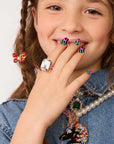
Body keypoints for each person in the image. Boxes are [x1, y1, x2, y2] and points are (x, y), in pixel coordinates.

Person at [0, 0, 113, 143]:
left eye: (92, 11)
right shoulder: (6, 119)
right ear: (36, 19)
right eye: (55, 8)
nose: (71, 26)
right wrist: (34, 121)